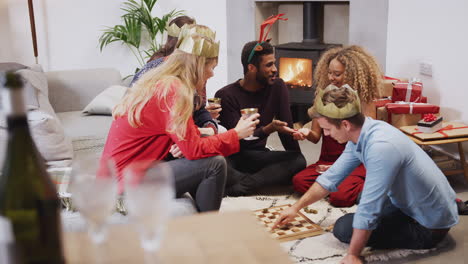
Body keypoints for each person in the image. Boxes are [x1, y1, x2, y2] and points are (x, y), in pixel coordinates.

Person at [273, 85, 458, 264]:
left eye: (327, 129)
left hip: (429, 227)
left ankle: (415, 234)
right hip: (413, 204)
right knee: (361, 198)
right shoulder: (365, 132)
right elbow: (330, 178)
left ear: (345, 124)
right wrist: (295, 208)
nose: (326, 135)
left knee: (344, 228)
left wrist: (353, 255)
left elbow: (370, 207)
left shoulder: (381, 147)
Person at [100, 25, 259, 212]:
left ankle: (200, 222)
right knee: (215, 164)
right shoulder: (173, 91)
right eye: (212, 67)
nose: (212, 74)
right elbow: (194, 149)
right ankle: (207, 228)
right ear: (199, 66)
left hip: (120, 177)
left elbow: (179, 139)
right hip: (124, 187)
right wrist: (236, 134)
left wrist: (181, 143)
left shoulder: (163, 80)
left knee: (204, 156)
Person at [292, 45, 383, 207]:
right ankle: (336, 185)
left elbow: (365, 140)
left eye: (337, 74)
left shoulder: (364, 100)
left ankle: (350, 186)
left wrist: (341, 169)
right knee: (299, 181)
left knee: (340, 197)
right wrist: (306, 133)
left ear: (351, 74)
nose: (332, 77)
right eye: (329, 73)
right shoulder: (323, 96)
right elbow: (315, 137)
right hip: (327, 162)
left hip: (355, 162)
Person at [215, 40, 306, 196]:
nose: (275, 70)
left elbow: (286, 130)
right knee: (220, 166)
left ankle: (242, 186)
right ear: (251, 68)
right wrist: (268, 129)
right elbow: (237, 142)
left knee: (298, 161)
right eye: (268, 65)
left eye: (274, 64)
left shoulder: (278, 87)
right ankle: (255, 182)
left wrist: (296, 162)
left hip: (259, 155)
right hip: (236, 157)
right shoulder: (226, 95)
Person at [130, 16, 221, 137]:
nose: (211, 74)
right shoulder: (167, 80)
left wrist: (209, 124)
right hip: (158, 136)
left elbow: (198, 108)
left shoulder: (191, 74)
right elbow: (173, 126)